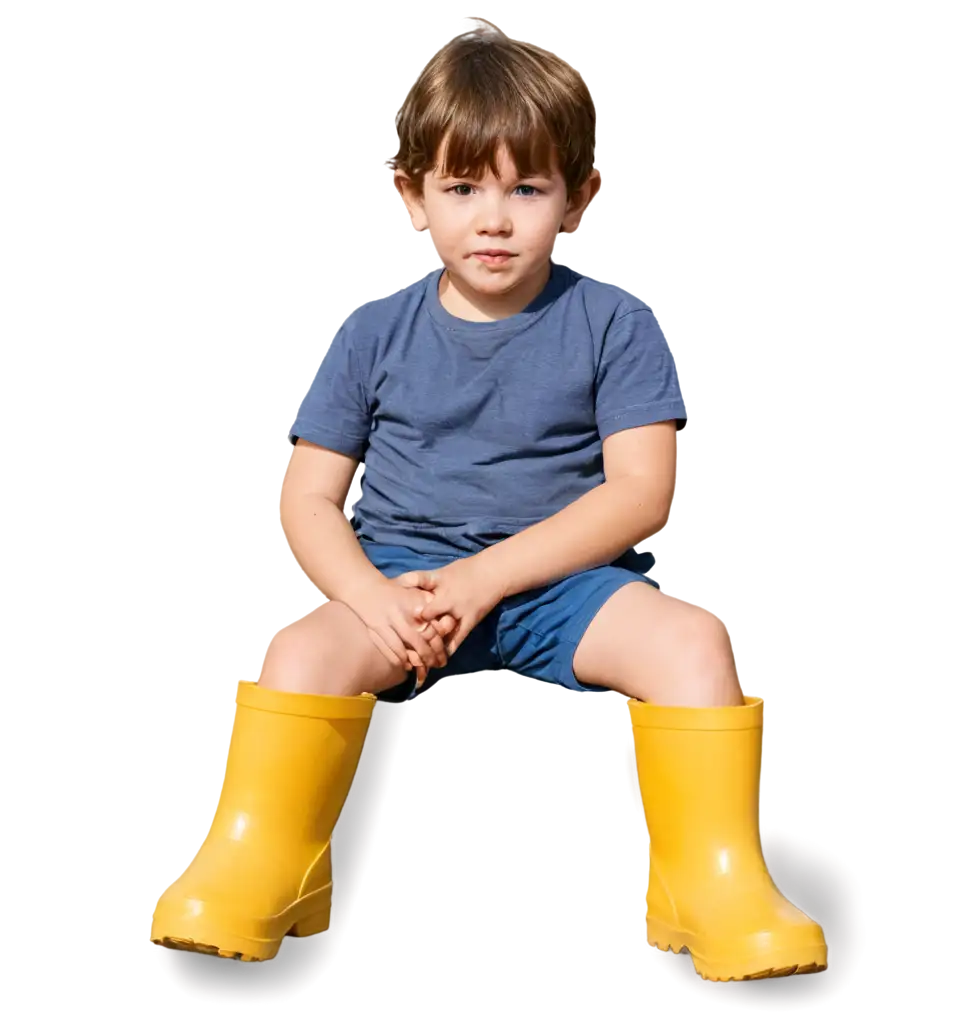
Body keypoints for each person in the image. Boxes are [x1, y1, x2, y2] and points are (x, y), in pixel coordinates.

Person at [147, 27, 828, 986]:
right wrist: (372, 597)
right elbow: (307, 499)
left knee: (694, 645)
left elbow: (641, 491)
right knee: (298, 651)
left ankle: (709, 883)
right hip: (401, 588)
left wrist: (488, 578)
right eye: (462, 189)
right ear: (411, 199)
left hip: (561, 590)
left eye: (526, 188)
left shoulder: (615, 323)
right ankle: (265, 865)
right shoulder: (369, 331)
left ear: (579, 199)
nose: (494, 219)